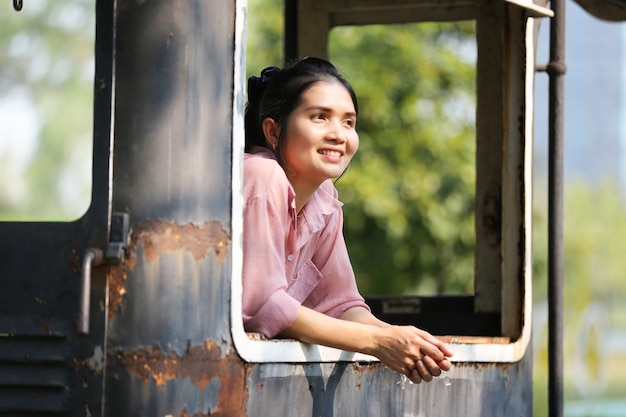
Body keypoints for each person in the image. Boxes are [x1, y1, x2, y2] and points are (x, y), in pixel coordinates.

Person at [242, 57, 452, 384]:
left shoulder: (323, 198)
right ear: (273, 130)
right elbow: (263, 303)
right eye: (319, 117)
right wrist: (378, 343)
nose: (338, 135)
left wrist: (406, 338)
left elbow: (340, 304)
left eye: (348, 122)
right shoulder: (260, 173)